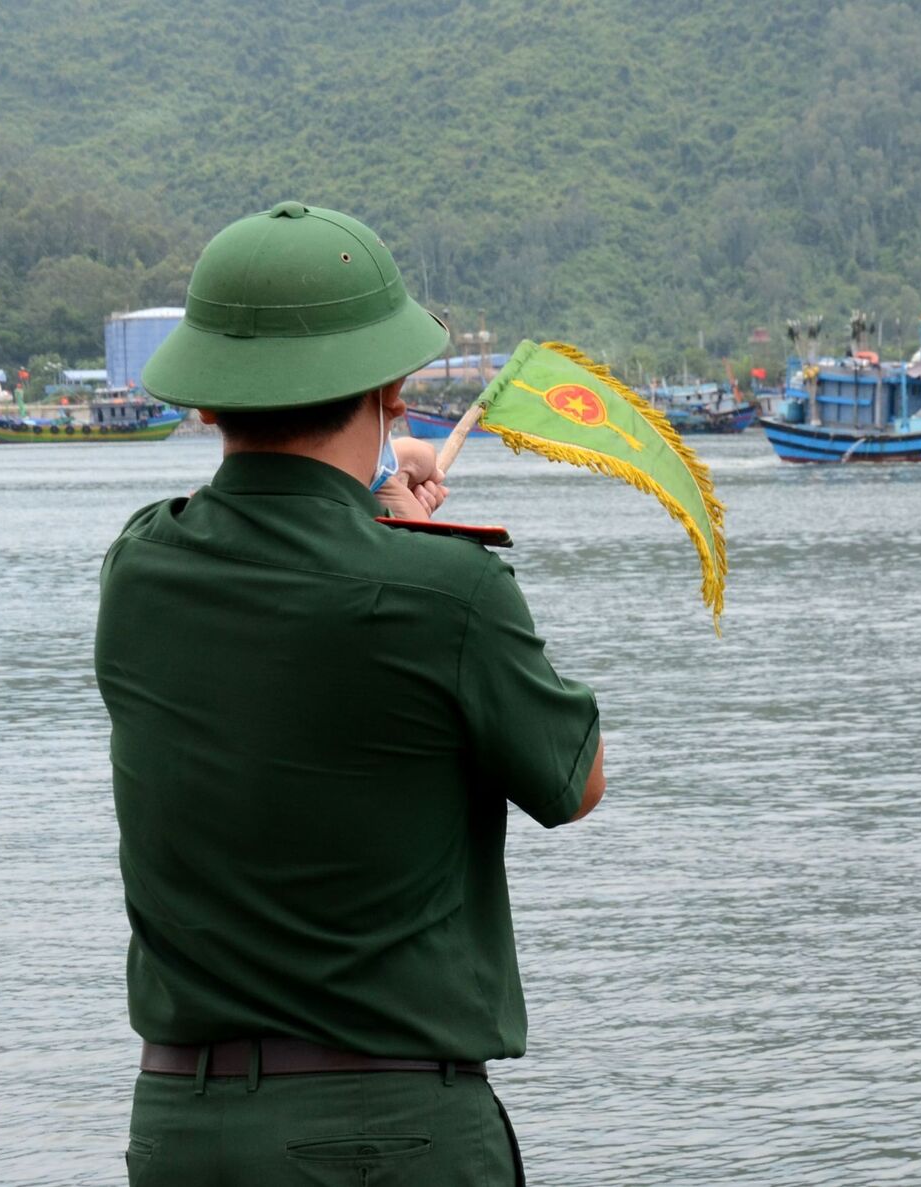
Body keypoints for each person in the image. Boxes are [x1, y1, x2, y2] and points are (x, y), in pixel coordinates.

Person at [95, 201, 605, 1185]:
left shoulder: (137, 569)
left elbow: (270, 544)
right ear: (394, 388)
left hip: (181, 1132)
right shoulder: (449, 593)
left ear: (206, 400)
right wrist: (411, 533)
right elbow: (573, 779)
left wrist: (377, 501)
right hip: (389, 1135)